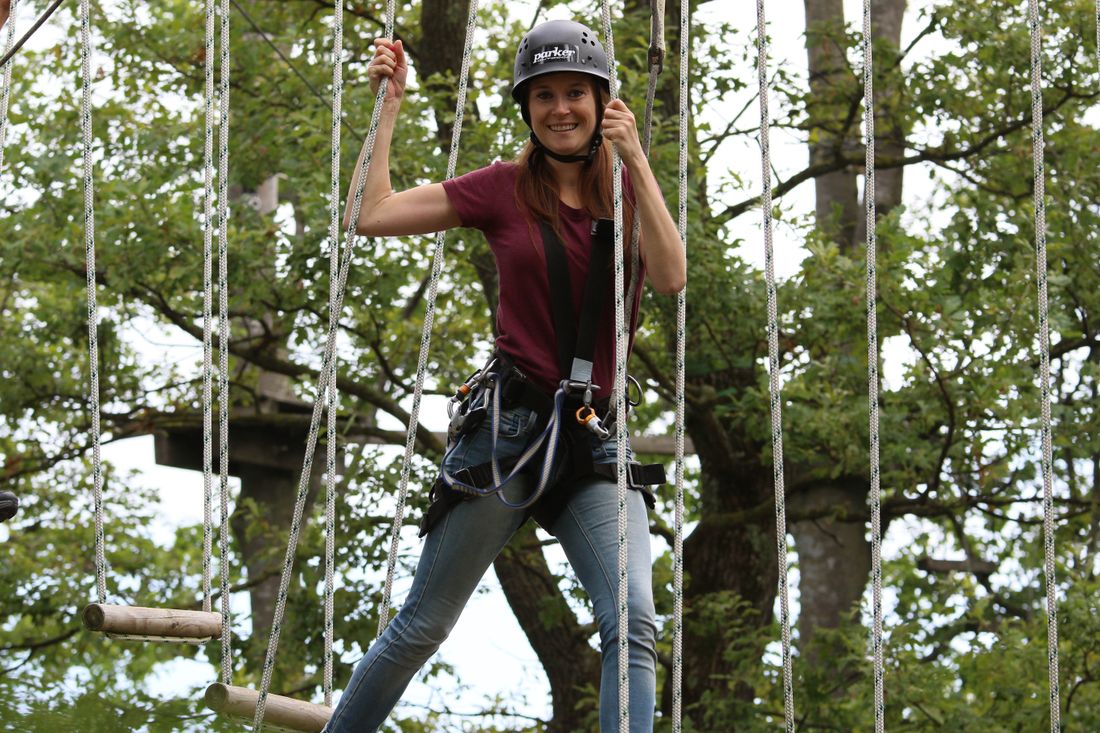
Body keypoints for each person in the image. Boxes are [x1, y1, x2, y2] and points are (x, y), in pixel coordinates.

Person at [324, 19, 684, 733]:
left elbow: (671, 277)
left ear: (601, 101)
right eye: (544, 95)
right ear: (527, 109)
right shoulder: (502, 190)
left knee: (634, 619)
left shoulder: (628, 193)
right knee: (423, 624)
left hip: (591, 442)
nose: (560, 109)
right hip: (510, 435)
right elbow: (371, 214)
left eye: (576, 94)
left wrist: (635, 158)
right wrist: (388, 106)